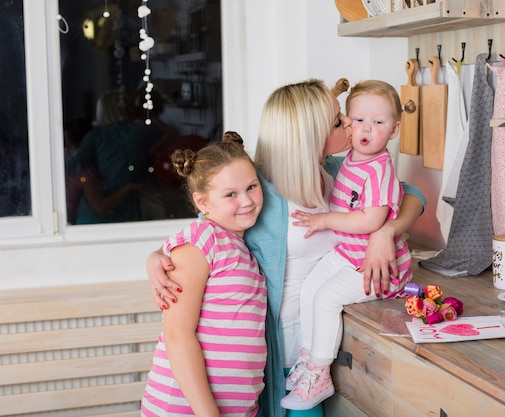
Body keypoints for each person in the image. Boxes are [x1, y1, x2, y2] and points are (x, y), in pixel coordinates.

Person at [147, 79, 427, 417]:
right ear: (311, 134)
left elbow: (411, 194)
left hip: (316, 354)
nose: (351, 126)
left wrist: (387, 230)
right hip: (266, 361)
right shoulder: (258, 188)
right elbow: (209, 228)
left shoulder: (340, 173)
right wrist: (157, 257)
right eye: (340, 121)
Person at [281, 80, 412, 410]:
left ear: (394, 130)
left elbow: (371, 220)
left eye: (378, 122)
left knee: (326, 298)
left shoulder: (379, 169)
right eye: (355, 120)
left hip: (373, 267)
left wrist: (324, 221)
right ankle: (310, 359)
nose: (365, 128)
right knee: (311, 289)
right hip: (347, 253)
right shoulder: (346, 159)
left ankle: (320, 373)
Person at [141, 132, 267, 417]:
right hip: (185, 410)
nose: (246, 201)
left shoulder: (236, 244)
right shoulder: (201, 241)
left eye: (251, 186)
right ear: (202, 202)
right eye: (231, 194)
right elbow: (178, 335)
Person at [65, 90, 158, 224]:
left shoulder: (96, 135)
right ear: (124, 109)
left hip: (94, 216)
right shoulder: (140, 133)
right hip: (125, 211)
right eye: (131, 105)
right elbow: (168, 132)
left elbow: (71, 166)